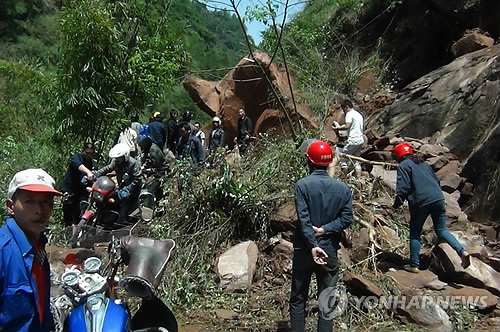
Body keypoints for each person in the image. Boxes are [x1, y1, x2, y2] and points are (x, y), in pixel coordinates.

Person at [290, 141, 353, 332]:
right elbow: (347, 218)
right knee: (326, 302)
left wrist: (312, 243)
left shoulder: (302, 185)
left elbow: (304, 219)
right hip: (329, 251)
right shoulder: (343, 189)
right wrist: (325, 229)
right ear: (329, 162)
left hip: (304, 251)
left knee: (298, 299)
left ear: (309, 162)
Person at [1, 168, 63, 331]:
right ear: (11, 206)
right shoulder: (3, 251)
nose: (40, 210)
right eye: (29, 201)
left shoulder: (38, 246)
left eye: (47, 202)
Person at [392, 142, 470, 273]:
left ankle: (414, 264)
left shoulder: (404, 165)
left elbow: (403, 188)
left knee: (415, 232)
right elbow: (437, 181)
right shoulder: (423, 163)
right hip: (438, 198)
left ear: (398, 155)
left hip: (421, 201)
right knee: (441, 230)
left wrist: (396, 205)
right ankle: (462, 251)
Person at [93, 143, 142, 223]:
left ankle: (121, 222)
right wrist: (96, 174)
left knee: (125, 205)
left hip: (132, 190)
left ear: (125, 156)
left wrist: (129, 188)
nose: (116, 159)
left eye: (119, 158)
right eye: (116, 158)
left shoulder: (134, 163)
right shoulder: (115, 162)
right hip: (121, 186)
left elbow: (137, 179)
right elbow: (107, 169)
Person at [61, 143, 97, 234]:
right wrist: (88, 172)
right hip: (70, 189)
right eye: (87, 153)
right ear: (83, 151)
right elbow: (78, 165)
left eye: (91, 153)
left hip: (82, 191)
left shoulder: (92, 163)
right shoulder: (76, 157)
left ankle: (77, 233)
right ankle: (67, 232)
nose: (89, 155)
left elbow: (94, 175)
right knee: (68, 210)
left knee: (79, 213)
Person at [332, 100, 364, 175]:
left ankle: (344, 178)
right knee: (356, 160)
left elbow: (347, 126)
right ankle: (359, 179)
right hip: (360, 140)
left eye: (343, 109)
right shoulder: (358, 114)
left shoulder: (349, 114)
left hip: (353, 140)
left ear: (346, 107)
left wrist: (338, 129)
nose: (344, 112)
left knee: (343, 159)